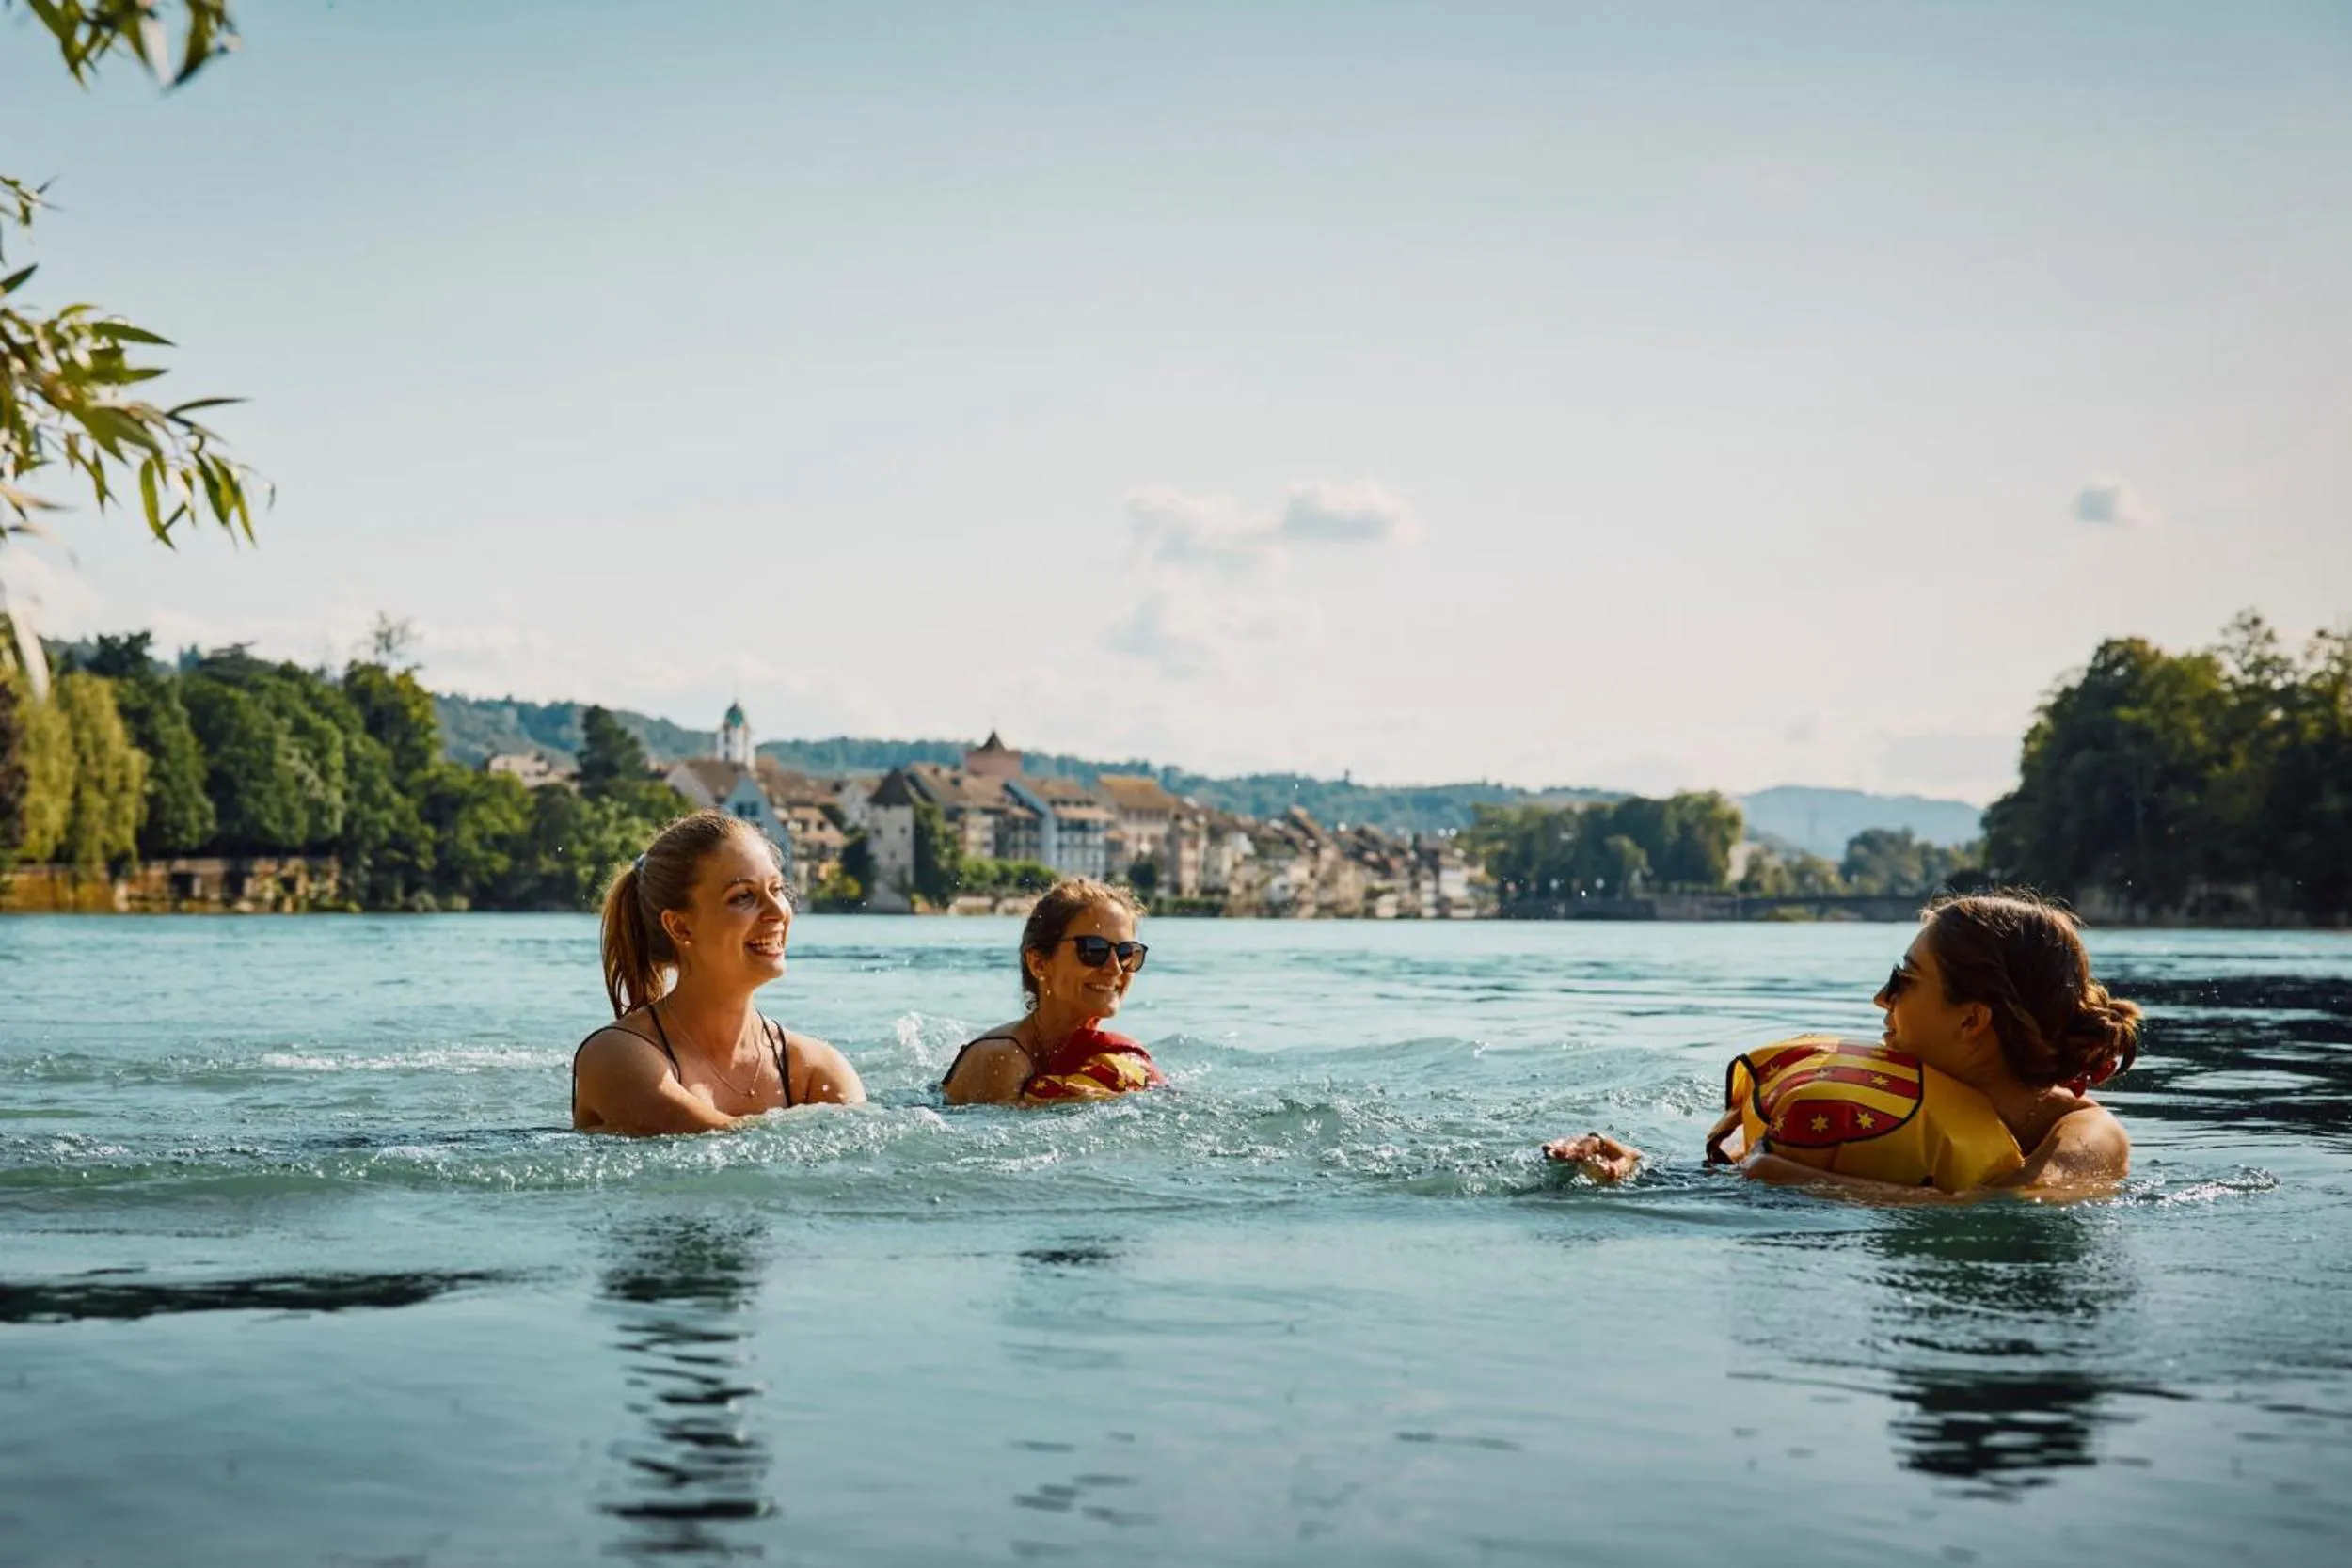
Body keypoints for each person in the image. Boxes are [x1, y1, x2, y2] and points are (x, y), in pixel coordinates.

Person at [1546, 892, 2142, 1197]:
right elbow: (1754, 1173)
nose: (1880, 1001)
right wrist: (1635, 1170)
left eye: (1902, 981)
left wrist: (1807, 1184)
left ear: (1971, 1021)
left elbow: (2014, 1213)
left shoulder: (2086, 1137)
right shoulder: (1894, 1102)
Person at [573, 811, 864, 1134]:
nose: (778, 911)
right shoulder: (615, 1058)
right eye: (743, 897)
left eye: (777, 889)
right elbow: (726, 1144)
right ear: (680, 926)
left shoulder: (814, 1070)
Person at [940, 877, 1163, 1105]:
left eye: (1127, 953)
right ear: (1039, 963)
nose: (1114, 968)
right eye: (1093, 950)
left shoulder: (1120, 1061)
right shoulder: (1002, 1058)